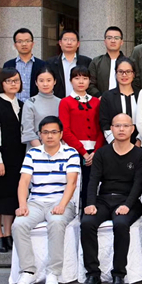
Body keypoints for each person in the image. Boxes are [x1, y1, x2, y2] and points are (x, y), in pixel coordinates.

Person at [11, 116, 80, 284]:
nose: (50, 136)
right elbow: (23, 182)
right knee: (18, 224)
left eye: (54, 132)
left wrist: (62, 205)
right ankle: (28, 271)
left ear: (61, 134)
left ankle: (53, 273)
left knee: (56, 222)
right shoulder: (32, 154)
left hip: (61, 202)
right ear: (40, 134)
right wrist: (22, 205)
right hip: (36, 202)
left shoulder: (70, 153)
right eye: (46, 132)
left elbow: (72, 183)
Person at [80, 114, 142, 284]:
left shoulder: (140, 155)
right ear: (111, 129)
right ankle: (93, 273)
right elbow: (93, 180)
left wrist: (127, 205)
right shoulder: (102, 153)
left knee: (121, 224)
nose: (121, 129)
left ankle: (119, 274)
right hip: (104, 199)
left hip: (128, 201)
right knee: (87, 223)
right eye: (117, 126)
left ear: (132, 129)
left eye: (125, 126)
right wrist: (90, 203)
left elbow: (139, 184)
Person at [0, 68, 27, 253]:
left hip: (16, 159)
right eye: (9, 81)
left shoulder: (21, 104)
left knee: (10, 198)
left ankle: (8, 233)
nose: (13, 84)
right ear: (2, 83)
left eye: (16, 80)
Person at [58, 66, 104, 207]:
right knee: (74, 183)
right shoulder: (65, 102)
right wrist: (83, 152)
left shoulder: (96, 102)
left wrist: (96, 151)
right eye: (77, 78)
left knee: (91, 185)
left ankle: (88, 212)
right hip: (74, 150)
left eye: (85, 78)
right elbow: (65, 130)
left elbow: (101, 127)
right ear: (71, 81)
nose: (81, 82)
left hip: (95, 151)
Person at [98, 58, 141, 146]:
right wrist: (115, 142)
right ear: (116, 74)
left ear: (133, 74)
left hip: (139, 144)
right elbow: (104, 122)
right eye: (120, 72)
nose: (124, 75)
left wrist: (139, 142)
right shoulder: (107, 96)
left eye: (128, 71)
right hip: (114, 144)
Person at [20, 65, 60, 149]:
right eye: (41, 81)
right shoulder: (30, 103)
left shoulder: (61, 102)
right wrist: (43, 151)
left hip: (59, 150)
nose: (45, 84)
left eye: (49, 80)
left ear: (54, 81)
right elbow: (28, 131)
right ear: (36, 82)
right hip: (36, 150)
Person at [3, 27, 46, 102]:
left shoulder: (42, 65)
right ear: (15, 45)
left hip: (36, 105)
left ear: (32, 44)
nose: (24, 44)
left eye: (27, 41)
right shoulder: (8, 65)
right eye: (20, 41)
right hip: (13, 105)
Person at [47, 29, 91, 99]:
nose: (69, 43)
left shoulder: (87, 62)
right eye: (66, 40)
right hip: (58, 101)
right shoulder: (50, 63)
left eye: (73, 40)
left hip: (81, 102)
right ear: (60, 43)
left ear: (78, 44)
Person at [88, 26, 126, 97]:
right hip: (101, 100)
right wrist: (99, 96)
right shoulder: (96, 62)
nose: (113, 41)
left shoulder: (129, 62)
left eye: (116, 38)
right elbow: (90, 83)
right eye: (109, 38)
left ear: (121, 42)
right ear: (105, 42)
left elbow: (135, 83)